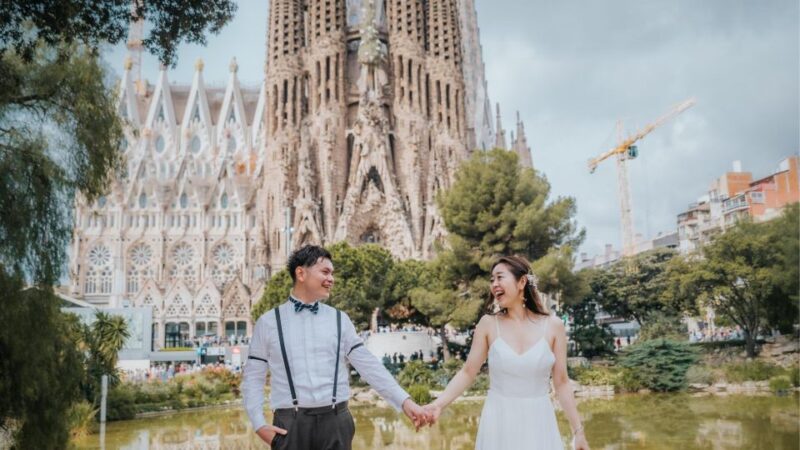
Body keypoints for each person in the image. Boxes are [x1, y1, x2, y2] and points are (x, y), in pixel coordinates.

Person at [242, 245, 431, 449]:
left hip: (336, 422)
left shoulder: (340, 319)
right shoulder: (268, 322)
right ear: (301, 273)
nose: (331, 279)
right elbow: (253, 376)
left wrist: (406, 402)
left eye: (332, 273)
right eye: (325, 272)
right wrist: (258, 423)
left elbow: (369, 366)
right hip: (290, 426)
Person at [422, 255, 590, 450]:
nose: (494, 284)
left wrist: (578, 432)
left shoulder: (553, 326)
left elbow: (561, 382)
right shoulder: (488, 324)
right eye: (492, 280)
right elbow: (467, 372)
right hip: (498, 422)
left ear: (522, 282)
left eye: (500, 277)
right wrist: (439, 404)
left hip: (539, 422)